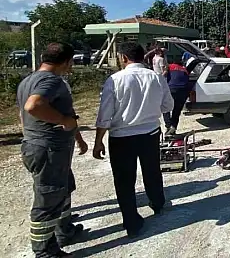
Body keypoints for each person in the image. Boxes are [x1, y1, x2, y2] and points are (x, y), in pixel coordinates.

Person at [93, 42, 174, 237]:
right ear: (143, 57)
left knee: (124, 180)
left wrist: (98, 142)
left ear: (123, 58)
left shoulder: (114, 79)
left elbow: (105, 115)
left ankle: (131, 222)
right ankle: (157, 204)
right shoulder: (156, 77)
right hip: (150, 133)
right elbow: (167, 105)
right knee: (152, 171)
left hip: (122, 137)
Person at [17, 42, 86, 258]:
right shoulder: (51, 80)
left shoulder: (28, 80)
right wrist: (63, 120)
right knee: (47, 199)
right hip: (47, 149)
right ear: (66, 61)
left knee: (61, 190)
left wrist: (78, 138)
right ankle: (45, 251)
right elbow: (33, 106)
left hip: (46, 146)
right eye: (71, 62)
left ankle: (64, 230)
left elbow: (23, 116)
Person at [162, 59, 192, 135]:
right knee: (177, 110)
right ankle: (173, 127)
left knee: (166, 108)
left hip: (172, 89)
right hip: (183, 90)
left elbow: (164, 74)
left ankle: (168, 126)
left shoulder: (170, 66)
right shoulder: (184, 69)